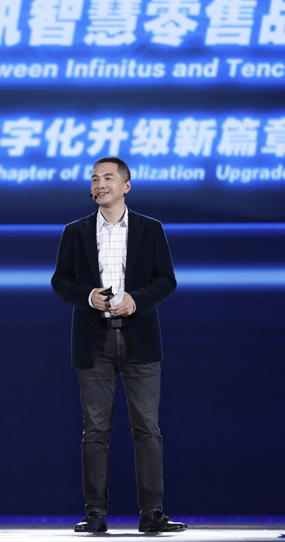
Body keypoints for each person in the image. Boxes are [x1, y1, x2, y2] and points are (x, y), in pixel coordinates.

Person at [51, 157, 186, 534]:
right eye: (95, 179)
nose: (99, 184)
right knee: (95, 430)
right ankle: (95, 513)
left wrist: (135, 301)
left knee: (147, 428)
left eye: (108, 178)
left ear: (126, 186)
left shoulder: (150, 229)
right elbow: (60, 281)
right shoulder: (75, 231)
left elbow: (166, 279)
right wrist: (88, 296)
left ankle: (152, 513)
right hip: (93, 338)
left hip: (139, 337)